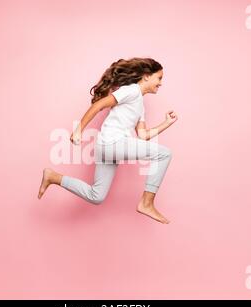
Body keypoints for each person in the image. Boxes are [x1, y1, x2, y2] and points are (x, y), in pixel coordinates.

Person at [38, 57, 178, 224]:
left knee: (96, 196)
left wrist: (166, 123)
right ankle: (146, 203)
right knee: (164, 154)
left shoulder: (140, 104)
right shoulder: (131, 90)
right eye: (159, 77)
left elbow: (143, 135)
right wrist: (78, 130)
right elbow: (99, 105)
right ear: (146, 76)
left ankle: (54, 177)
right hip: (113, 143)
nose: (161, 83)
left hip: (108, 148)